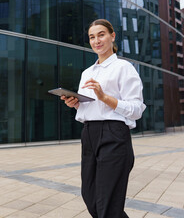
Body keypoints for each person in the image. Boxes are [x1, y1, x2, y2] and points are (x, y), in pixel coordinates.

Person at [61, 19, 146, 218]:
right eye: (92, 37)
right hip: (89, 133)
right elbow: (88, 108)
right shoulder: (87, 73)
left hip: (114, 135)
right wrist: (76, 103)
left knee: (107, 203)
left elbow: (136, 109)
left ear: (112, 36)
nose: (96, 40)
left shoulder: (124, 68)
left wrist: (104, 97)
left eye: (101, 35)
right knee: (90, 196)